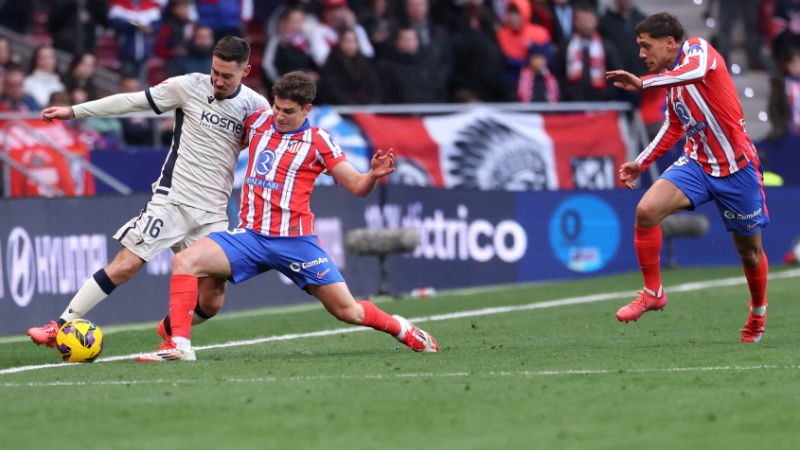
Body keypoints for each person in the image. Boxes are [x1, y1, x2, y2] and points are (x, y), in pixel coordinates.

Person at [136, 71, 439, 362]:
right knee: (185, 261)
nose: (279, 115)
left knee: (349, 312)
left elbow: (357, 186)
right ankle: (179, 344)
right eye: (276, 107)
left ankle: (401, 328)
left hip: (296, 242)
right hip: (251, 237)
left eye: (288, 111)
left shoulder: (319, 140)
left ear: (307, 109)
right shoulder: (257, 123)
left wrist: (373, 174)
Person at [27, 36, 272, 348]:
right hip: (173, 200)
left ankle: (170, 328)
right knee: (127, 263)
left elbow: (264, 144)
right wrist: (73, 111)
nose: (218, 81)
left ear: (246, 71)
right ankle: (60, 325)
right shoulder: (188, 86)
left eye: (227, 76)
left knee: (212, 302)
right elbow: (130, 101)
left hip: (212, 212)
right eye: (215, 72)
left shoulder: (255, 106)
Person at [606, 12, 770, 343]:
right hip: (696, 165)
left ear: (669, 42)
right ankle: (653, 292)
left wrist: (643, 82)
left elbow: (694, 72)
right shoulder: (672, 81)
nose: (641, 55)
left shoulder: (698, 51)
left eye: (645, 46)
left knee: (750, 253)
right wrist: (641, 161)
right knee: (646, 211)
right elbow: (675, 125)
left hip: (736, 168)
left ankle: (757, 312)